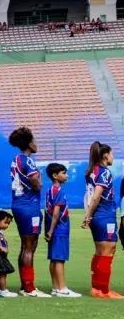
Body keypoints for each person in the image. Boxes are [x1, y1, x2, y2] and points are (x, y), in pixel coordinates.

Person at [8, 127, 47, 297]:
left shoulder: (15, 159)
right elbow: (36, 184)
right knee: (30, 246)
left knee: (25, 246)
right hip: (29, 205)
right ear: (30, 144)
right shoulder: (28, 161)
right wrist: (40, 179)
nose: (36, 144)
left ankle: (25, 285)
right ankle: (29, 288)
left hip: (18, 204)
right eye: (35, 141)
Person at [82, 141, 121, 298]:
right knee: (108, 250)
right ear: (105, 155)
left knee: (100, 251)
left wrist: (89, 215)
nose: (113, 157)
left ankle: (96, 288)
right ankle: (104, 290)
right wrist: (88, 215)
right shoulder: (104, 172)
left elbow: (88, 195)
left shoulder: (92, 171)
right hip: (104, 215)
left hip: (98, 216)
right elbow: (97, 195)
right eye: (112, 154)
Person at [44, 163, 79, 297]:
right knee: (59, 259)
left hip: (53, 228)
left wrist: (48, 230)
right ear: (55, 176)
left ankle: (55, 287)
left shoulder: (50, 190)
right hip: (59, 228)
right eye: (64, 173)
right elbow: (56, 212)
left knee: (54, 258)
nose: (66, 175)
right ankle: (62, 288)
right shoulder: (58, 191)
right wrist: (52, 230)